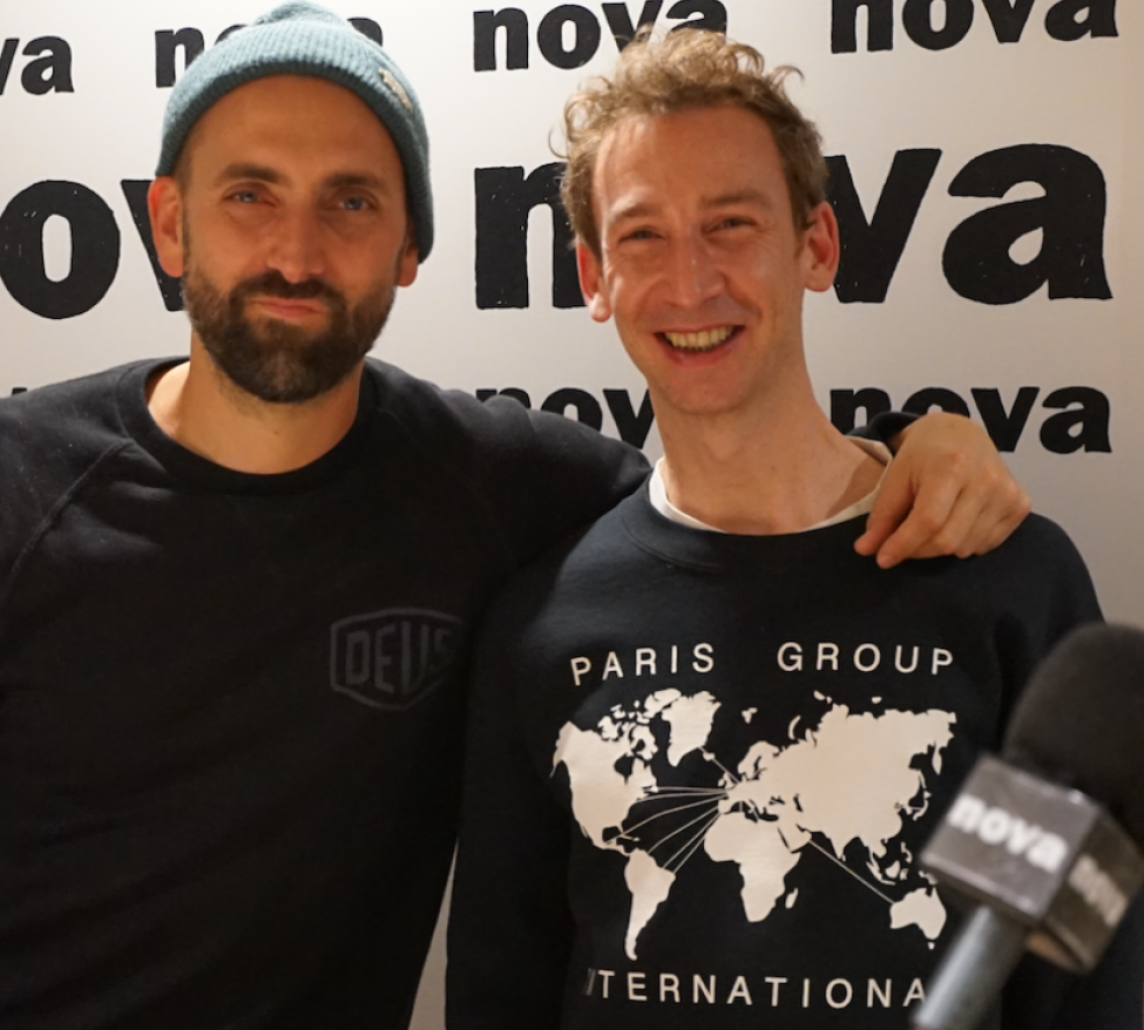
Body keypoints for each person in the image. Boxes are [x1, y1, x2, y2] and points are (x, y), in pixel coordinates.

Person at [0, 5, 1029, 1029]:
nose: (296, 250)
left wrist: (920, 444)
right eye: (249, 195)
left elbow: (724, 476)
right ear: (168, 222)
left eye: (351, 203)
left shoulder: (499, 490)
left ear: (412, 248)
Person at [445, 28, 1140, 1030]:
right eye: (642, 237)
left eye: (730, 225)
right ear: (594, 278)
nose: (690, 282)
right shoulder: (541, 622)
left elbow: (1084, 986)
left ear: (816, 245)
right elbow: (500, 988)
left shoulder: (1005, 577)